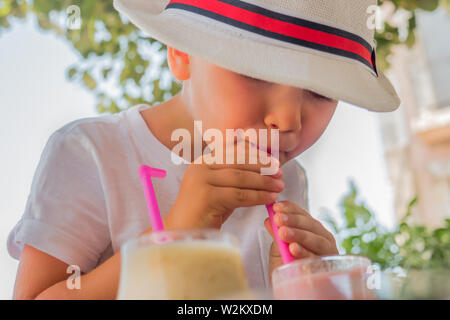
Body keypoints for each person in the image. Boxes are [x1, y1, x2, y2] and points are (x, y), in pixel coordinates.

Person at [8, 0, 400, 299]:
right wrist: (177, 232)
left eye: (322, 92)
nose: (288, 119)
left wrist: (315, 286)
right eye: (257, 72)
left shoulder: (287, 180)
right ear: (180, 53)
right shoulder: (90, 153)